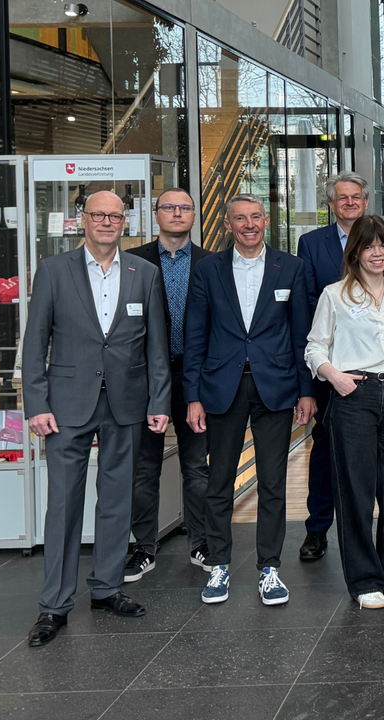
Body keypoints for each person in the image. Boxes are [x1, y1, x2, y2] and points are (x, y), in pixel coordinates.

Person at [22, 190, 171, 647]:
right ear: (82, 220)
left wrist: (159, 402)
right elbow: (35, 343)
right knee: (64, 504)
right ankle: (54, 604)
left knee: (117, 500)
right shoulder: (54, 270)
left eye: (114, 216)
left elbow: (157, 347)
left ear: (125, 222)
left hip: (126, 402)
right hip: (67, 404)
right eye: (98, 215)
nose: (106, 222)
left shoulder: (144, 273)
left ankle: (106, 588)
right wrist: (36, 404)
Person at [185, 194, 315, 607]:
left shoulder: (290, 267)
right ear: (228, 225)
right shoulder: (208, 270)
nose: (249, 224)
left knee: (273, 482)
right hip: (221, 387)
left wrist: (307, 391)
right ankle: (219, 564)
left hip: (276, 386)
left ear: (266, 221)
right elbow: (195, 336)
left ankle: (269, 569)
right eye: (240, 218)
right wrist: (192, 397)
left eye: (256, 217)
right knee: (219, 480)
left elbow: (301, 335)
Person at [304, 215, 384, 609]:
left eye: (383, 245)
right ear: (354, 251)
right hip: (354, 396)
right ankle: (364, 580)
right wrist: (335, 378)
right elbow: (314, 347)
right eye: (368, 246)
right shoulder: (335, 295)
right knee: (355, 491)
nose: (377, 252)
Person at [123, 189, 213, 583]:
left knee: (197, 466)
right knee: (144, 468)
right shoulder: (133, 262)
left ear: (193, 215)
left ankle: (201, 542)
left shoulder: (212, 263)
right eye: (169, 207)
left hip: (196, 379)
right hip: (145, 379)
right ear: (156, 214)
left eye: (184, 207)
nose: (177, 213)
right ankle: (143, 548)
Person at [296, 171, 371, 562]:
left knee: (373, 452)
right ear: (331, 204)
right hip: (329, 365)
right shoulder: (311, 244)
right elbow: (306, 303)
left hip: (374, 364)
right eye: (343, 198)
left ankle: (370, 532)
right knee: (324, 447)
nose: (350, 203)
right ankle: (317, 529)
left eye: (356, 197)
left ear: (366, 202)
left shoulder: (379, 238)